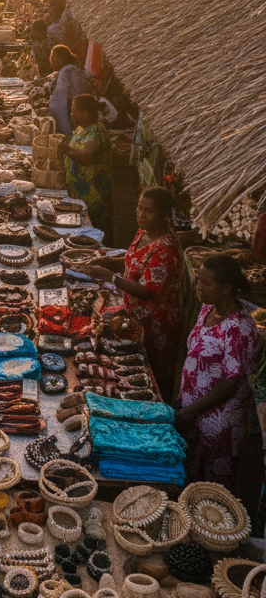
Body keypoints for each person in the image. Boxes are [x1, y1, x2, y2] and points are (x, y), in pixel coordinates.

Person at [84, 187, 184, 397]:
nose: (141, 214)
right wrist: (109, 262)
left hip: (156, 323)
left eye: (149, 211)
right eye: (139, 207)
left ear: (165, 215)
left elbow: (147, 291)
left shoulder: (166, 247)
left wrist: (110, 277)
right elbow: (131, 261)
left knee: (148, 376)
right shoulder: (144, 232)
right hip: (135, 314)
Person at [176, 255, 259, 489]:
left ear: (226, 288)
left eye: (206, 282)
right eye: (198, 280)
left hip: (217, 422)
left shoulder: (240, 329)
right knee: (186, 476)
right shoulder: (207, 308)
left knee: (208, 490)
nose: (198, 286)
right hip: (192, 410)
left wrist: (190, 410)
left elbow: (230, 382)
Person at [57, 93, 113, 236]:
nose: (71, 114)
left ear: (86, 113)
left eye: (74, 111)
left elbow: (85, 157)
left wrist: (65, 148)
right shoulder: (82, 128)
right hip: (79, 194)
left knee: (93, 232)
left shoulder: (97, 131)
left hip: (94, 194)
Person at [49, 45, 91, 135]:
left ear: (60, 59)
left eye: (52, 58)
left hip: (77, 113)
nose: (51, 61)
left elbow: (59, 103)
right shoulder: (68, 70)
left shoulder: (67, 71)